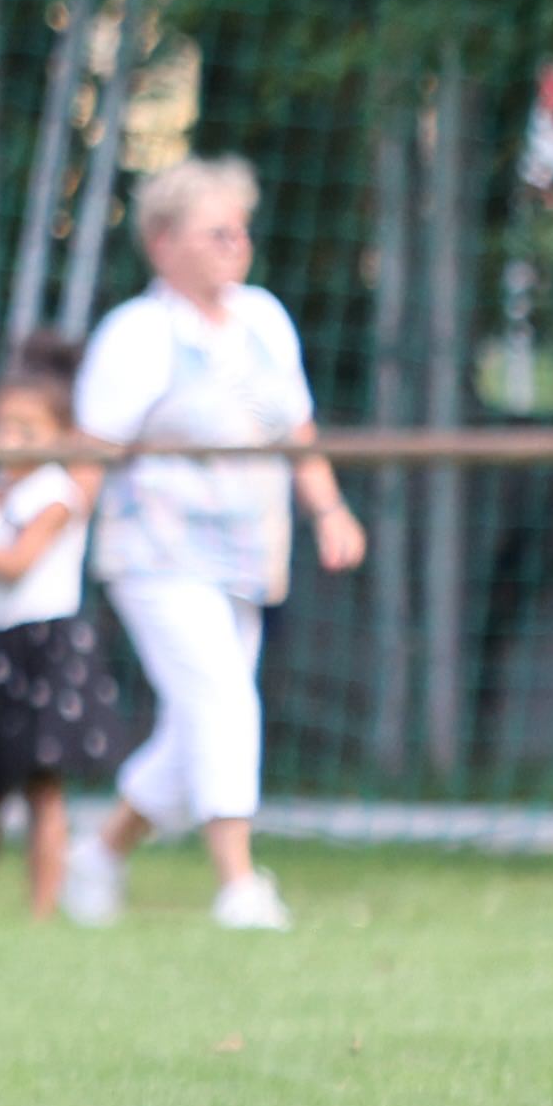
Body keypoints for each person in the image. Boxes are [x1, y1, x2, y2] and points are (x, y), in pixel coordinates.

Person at [64, 153, 364, 933]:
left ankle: (97, 854)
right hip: (156, 556)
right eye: (216, 232)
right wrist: (50, 541)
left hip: (245, 557)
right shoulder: (135, 335)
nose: (236, 245)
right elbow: (90, 454)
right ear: (162, 242)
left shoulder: (262, 319)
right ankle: (238, 885)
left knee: (197, 723)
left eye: (240, 230)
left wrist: (328, 507)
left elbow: (293, 428)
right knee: (223, 701)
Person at [0, 329, 108, 919]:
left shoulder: (56, 493)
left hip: (40, 648)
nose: (10, 440)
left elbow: (16, 565)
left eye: (27, 430)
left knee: (43, 789)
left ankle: (41, 913)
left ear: (61, 435)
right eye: (2, 427)